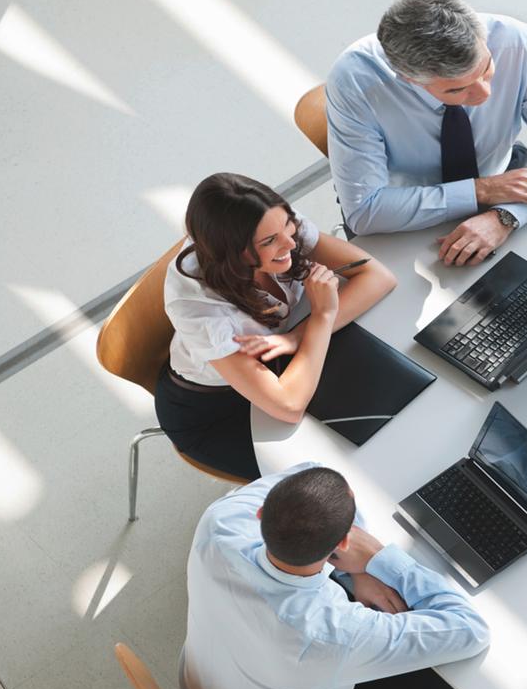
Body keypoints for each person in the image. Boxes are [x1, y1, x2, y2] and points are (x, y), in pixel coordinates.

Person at [181, 462, 490, 689]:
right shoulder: (331, 632)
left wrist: (354, 573)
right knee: (451, 679)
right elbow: (471, 630)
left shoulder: (220, 523)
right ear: (344, 542)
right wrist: (377, 558)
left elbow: (313, 469)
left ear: (261, 513)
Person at [326, 0, 527, 265]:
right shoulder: (355, 81)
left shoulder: (514, 41)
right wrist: (482, 190)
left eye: (487, 69)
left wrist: (504, 216)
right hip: (406, 212)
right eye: (457, 90)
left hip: (501, 182)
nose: (484, 95)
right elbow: (365, 211)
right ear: (409, 79)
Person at [157, 173, 397, 480]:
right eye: (270, 241)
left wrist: (297, 337)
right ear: (229, 251)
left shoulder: (274, 224)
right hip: (217, 409)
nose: (291, 242)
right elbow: (288, 406)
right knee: (332, 476)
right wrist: (321, 317)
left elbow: (378, 277)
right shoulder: (197, 306)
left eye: (288, 225)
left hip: (279, 358)